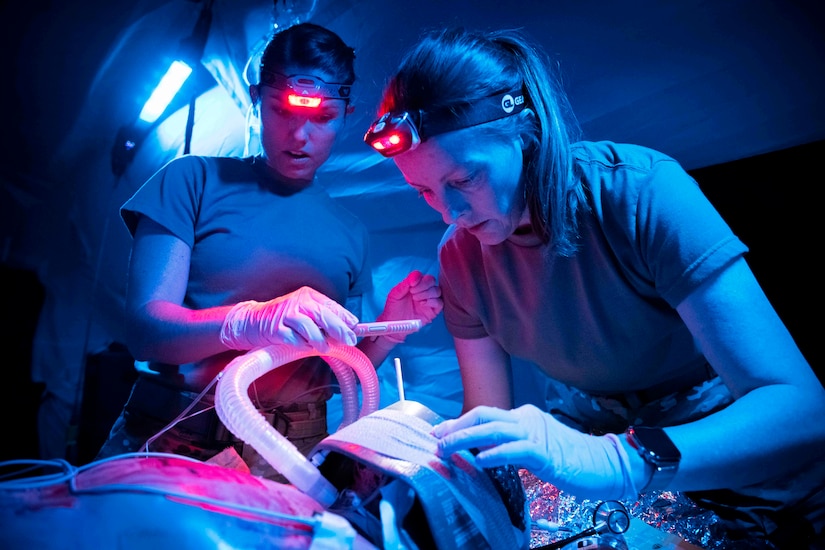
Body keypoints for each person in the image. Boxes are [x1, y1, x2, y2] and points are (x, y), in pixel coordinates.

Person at [363, 27, 825, 547]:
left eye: (465, 179)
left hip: (723, 456)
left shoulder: (641, 192)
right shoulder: (460, 255)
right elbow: (483, 424)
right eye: (422, 190)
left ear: (526, 134)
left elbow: (802, 410)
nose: (450, 213)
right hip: (589, 451)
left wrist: (620, 460)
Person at [95, 22, 443, 481]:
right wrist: (248, 320)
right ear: (257, 98)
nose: (300, 136)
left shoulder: (351, 232)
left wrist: (388, 331)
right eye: (283, 111)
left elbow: (333, 368)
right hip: (173, 437)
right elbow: (146, 329)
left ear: (347, 115)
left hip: (290, 455)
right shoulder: (190, 182)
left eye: (322, 119)